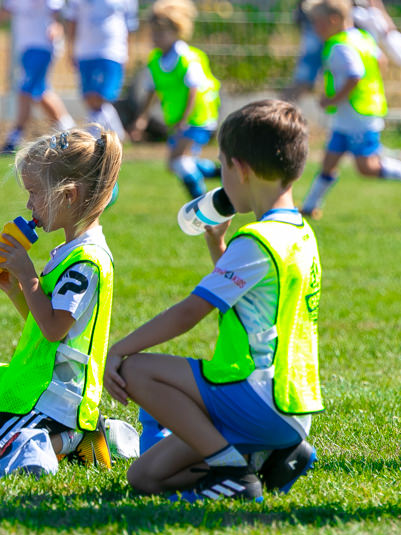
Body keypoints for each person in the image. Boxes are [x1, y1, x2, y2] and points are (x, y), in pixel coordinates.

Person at [105, 100, 322, 502]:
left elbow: (191, 312)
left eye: (221, 165)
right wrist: (217, 244)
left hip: (256, 397)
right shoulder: (298, 234)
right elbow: (249, 297)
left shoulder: (257, 239)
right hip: (291, 409)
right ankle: (266, 458)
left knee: (137, 371)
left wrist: (119, 350)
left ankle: (233, 471)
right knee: (145, 477)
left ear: (240, 168)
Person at [0, 127, 122, 471]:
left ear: (69, 196)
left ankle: (70, 436)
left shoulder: (87, 261)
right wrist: (14, 288)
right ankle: (24, 435)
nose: (29, 204)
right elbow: (42, 322)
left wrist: (28, 275)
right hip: (30, 377)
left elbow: (55, 330)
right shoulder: (68, 250)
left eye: (34, 193)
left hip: (53, 395)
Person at [301, 0, 401, 220]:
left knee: (367, 168)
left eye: (317, 23)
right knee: (329, 162)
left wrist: (332, 99)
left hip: (358, 115)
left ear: (333, 20)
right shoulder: (362, 37)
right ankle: (310, 207)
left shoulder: (340, 45)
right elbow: (381, 60)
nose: (314, 28)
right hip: (353, 115)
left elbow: (355, 75)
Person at [130, 0, 221, 200]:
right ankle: (221, 174)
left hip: (198, 117)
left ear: (177, 31)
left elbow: (194, 89)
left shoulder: (186, 57)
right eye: (153, 32)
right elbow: (151, 90)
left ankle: (201, 202)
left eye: (161, 33)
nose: (156, 37)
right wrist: (142, 118)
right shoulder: (155, 59)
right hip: (178, 118)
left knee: (180, 160)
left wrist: (184, 118)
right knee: (173, 165)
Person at [0, 0, 76, 156]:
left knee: (26, 89)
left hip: (43, 46)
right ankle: (68, 131)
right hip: (26, 47)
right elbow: (6, 12)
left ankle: (14, 138)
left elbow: (58, 14)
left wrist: (57, 27)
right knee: (39, 91)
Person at [284, 0, 401, 101]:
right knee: (305, 77)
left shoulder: (348, 41)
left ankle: (280, 118)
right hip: (327, 11)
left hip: (344, 13)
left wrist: (334, 100)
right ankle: (280, 120)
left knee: (305, 76)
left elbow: (358, 74)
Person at [64, 0, 138, 139]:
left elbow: (130, 25)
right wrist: (71, 48)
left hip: (112, 51)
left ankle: (98, 133)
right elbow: (73, 20)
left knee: (103, 95)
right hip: (85, 52)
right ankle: (114, 133)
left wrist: (128, 52)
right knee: (89, 96)